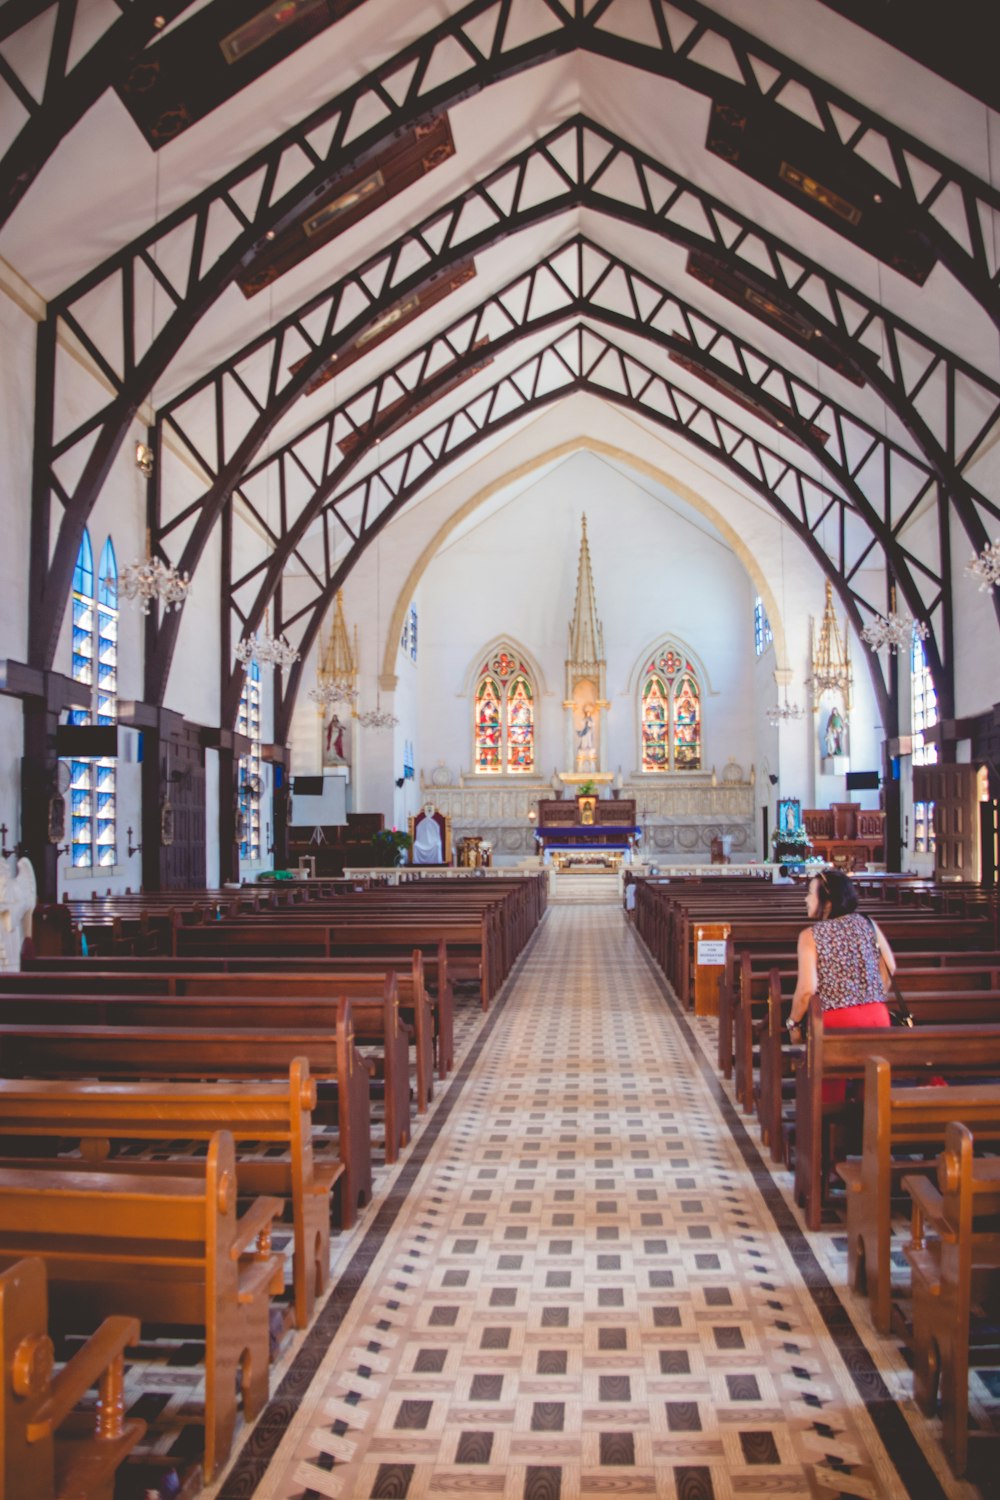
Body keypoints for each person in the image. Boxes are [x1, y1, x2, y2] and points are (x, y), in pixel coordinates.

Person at [786, 868, 896, 1102]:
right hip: (877, 1015)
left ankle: (825, 1129)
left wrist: (793, 1023)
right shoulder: (868, 923)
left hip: (836, 1021)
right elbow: (890, 967)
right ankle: (869, 1129)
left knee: (828, 1089)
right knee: (871, 1088)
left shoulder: (810, 935)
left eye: (810, 894)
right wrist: (871, 995)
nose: (806, 899)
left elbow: (807, 989)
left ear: (827, 901)